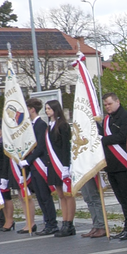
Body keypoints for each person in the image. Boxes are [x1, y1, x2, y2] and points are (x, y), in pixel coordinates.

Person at [100, 93, 127, 240]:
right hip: (111, 165)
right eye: (105, 105)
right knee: (121, 198)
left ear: (117, 101)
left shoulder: (125, 116)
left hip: (123, 163)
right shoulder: (107, 119)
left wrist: (103, 139)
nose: (107, 107)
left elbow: (122, 136)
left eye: (109, 104)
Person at [24, 98, 60, 236]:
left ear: (32, 109)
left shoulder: (40, 125)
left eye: (27, 108)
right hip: (33, 165)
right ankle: (47, 223)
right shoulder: (31, 125)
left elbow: (40, 147)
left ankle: (52, 224)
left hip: (40, 164)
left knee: (45, 196)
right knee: (39, 196)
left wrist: (28, 160)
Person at [44, 100, 76, 237]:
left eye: (49, 109)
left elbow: (65, 147)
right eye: (46, 109)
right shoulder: (49, 126)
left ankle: (70, 223)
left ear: (56, 109)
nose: (47, 111)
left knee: (68, 194)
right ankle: (64, 221)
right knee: (61, 195)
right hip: (53, 165)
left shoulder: (62, 125)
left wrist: (65, 166)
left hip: (62, 164)